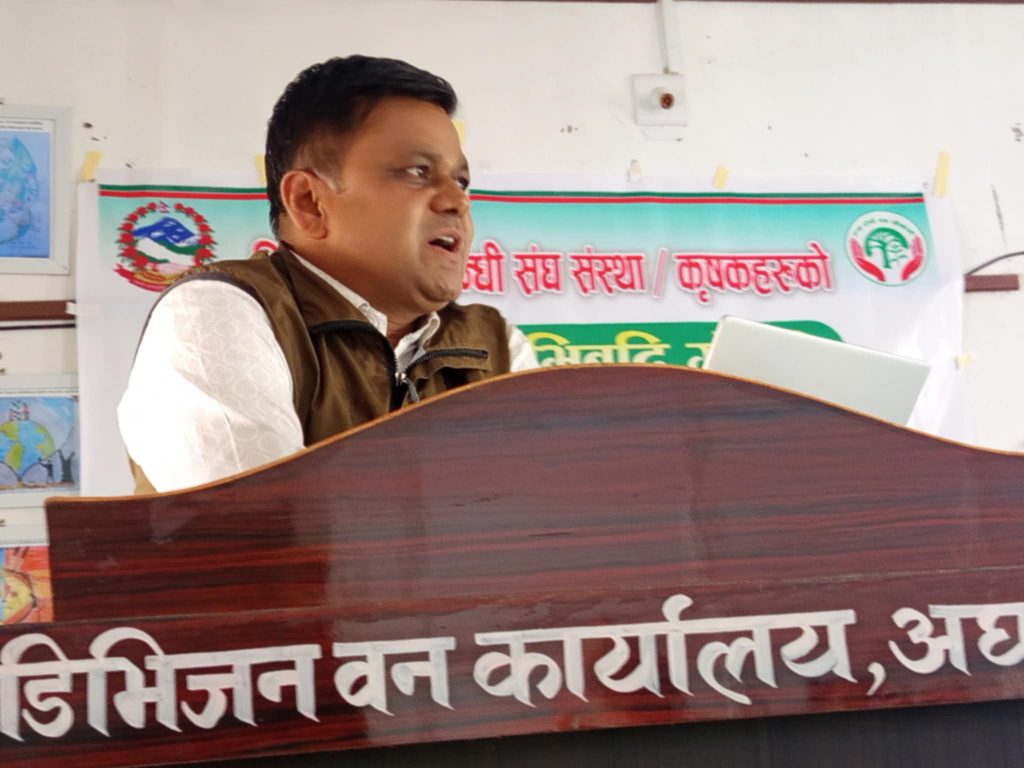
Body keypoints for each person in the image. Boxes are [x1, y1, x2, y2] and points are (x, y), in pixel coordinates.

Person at [118, 56, 537, 494]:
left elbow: (543, 512)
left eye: (461, 181)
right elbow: (264, 522)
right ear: (309, 202)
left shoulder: (496, 345)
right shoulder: (218, 311)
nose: (457, 201)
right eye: (417, 172)